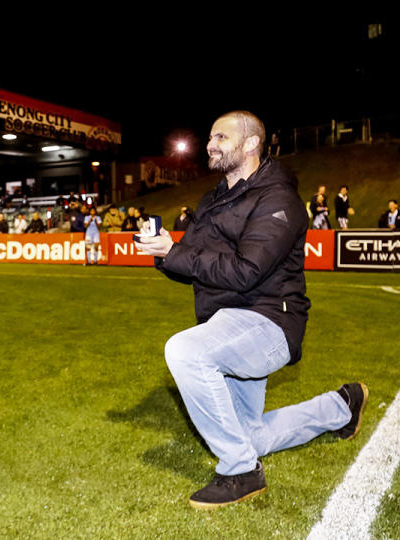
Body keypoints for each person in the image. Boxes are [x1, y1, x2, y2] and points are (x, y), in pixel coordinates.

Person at [136, 111, 367, 510]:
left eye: (221, 137)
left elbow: (247, 272)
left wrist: (177, 253)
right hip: (227, 322)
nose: (211, 144)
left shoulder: (279, 199)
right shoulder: (213, 200)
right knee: (250, 435)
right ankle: (342, 406)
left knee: (185, 351)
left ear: (250, 144)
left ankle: (241, 471)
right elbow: (193, 263)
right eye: (210, 137)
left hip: (269, 321)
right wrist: (164, 253)